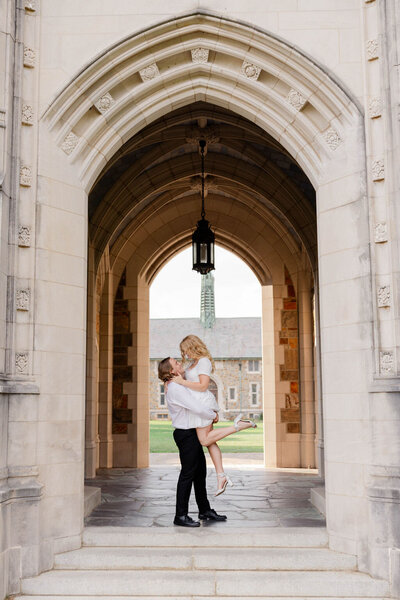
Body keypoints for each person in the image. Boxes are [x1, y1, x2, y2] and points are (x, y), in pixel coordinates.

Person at [158, 356, 254, 527]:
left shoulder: (177, 384)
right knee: (187, 474)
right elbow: (196, 407)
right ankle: (180, 515)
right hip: (185, 434)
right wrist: (213, 415)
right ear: (172, 371)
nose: (180, 363)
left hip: (191, 433)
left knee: (199, 473)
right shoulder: (175, 388)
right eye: (176, 363)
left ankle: (204, 510)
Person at [171, 334, 257, 495]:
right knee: (210, 442)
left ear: (193, 346)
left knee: (204, 439)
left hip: (202, 405)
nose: (185, 355)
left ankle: (239, 425)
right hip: (197, 406)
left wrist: (182, 382)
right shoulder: (193, 363)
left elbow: (203, 386)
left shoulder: (203, 361)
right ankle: (221, 476)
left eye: (186, 351)